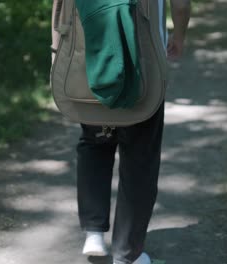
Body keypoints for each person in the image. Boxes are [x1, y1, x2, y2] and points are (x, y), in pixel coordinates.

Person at [53, 0, 191, 263]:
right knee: (140, 159)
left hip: (92, 68)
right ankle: (127, 254)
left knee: (95, 143)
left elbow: (60, 6)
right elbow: (181, 5)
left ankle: (94, 233)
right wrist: (179, 35)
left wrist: (57, 51)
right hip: (145, 71)